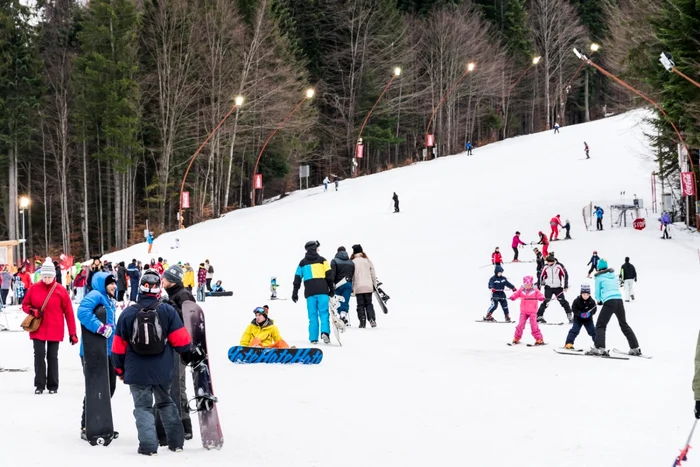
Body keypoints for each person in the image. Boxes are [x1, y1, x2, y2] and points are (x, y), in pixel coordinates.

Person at [111, 270, 195, 456]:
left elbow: (117, 347)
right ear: (158, 289)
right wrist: (189, 355)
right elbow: (180, 340)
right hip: (162, 369)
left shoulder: (128, 313)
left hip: (136, 371)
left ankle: (148, 447)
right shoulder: (166, 310)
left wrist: (119, 369)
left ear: (140, 288)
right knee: (166, 403)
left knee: (143, 407)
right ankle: (176, 443)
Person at [22, 258, 77, 394]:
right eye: (44, 276)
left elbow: (69, 313)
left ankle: (53, 385)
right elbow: (25, 305)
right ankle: (39, 385)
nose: (47, 279)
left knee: (52, 356)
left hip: (55, 328)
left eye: (49, 276)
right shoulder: (34, 288)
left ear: (54, 276)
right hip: (38, 327)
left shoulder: (60, 290)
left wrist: (73, 333)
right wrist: (32, 310)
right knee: (39, 355)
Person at [77, 271, 118, 440]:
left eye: (114, 283)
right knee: (95, 388)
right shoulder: (95, 294)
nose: (114, 286)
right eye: (110, 283)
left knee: (109, 388)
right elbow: (82, 312)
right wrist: (99, 327)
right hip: (93, 351)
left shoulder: (108, 299)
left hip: (108, 350)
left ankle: (101, 421)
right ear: (102, 284)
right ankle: (87, 425)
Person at [161, 265, 195, 441]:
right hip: (175, 346)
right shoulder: (174, 294)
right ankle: (179, 423)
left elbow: (190, 320)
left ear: (172, 281)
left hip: (182, 348)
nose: (162, 281)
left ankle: (184, 424)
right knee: (175, 385)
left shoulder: (182, 295)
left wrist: (172, 308)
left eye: (165, 278)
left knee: (178, 385)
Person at [589, 258, 641, 356]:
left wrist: (599, 300)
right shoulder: (612, 276)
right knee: (623, 324)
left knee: (601, 324)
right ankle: (635, 348)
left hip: (609, 301)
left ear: (598, 268)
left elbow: (597, 292)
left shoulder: (599, 277)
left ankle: (599, 348)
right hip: (619, 301)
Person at [292, 240, 334, 344]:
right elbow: (329, 275)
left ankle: (313, 338)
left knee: (312, 315)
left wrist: (295, 292)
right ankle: (325, 333)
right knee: (324, 313)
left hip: (310, 293)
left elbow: (297, 278)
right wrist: (331, 289)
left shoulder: (302, 263)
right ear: (315, 248)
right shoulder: (323, 260)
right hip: (322, 291)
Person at [536, 254, 572, 324]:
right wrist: (539, 286)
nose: (548, 263)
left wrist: (565, 286)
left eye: (549, 262)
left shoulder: (559, 266)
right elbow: (540, 276)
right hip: (548, 287)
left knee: (563, 301)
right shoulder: (545, 266)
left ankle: (570, 315)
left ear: (553, 261)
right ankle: (539, 316)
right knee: (546, 301)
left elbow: (565, 275)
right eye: (547, 262)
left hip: (558, 287)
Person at [510, 275, 545, 345]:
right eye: (526, 285)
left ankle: (539, 339)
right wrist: (513, 296)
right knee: (520, 325)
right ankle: (516, 338)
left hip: (533, 311)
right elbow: (516, 294)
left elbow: (540, 295)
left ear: (531, 284)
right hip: (523, 311)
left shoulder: (535, 290)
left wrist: (541, 297)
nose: (527, 286)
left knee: (534, 325)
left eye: (528, 285)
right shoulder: (521, 289)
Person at [351, 244, 377, 328]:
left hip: (358, 287)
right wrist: (374, 285)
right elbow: (373, 273)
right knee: (369, 303)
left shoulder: (352, 262)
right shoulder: (367, 260)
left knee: (360, 305)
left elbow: (351, 276)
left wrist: (352, 288)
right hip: (368, 286)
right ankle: (372, 319)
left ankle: (362, 320)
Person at [564, 284, 597, 349]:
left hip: (588, 319)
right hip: (578, 319)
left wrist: (589, 313)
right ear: (581, 294)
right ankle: (569, 343)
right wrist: (580, 314)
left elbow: (594, 309)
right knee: (574, 330)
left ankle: (597, 344)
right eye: (584, 294)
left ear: (589, 295)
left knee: (593, 331)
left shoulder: (592, 301)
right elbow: (574, 309)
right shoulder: (577, 300)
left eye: (587, 295)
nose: (585, 296)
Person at [331, 246, 355, 325]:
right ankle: (343, 315)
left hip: (338, 284)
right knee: (345, 300)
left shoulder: (334, 261)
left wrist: (331, 284)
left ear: (337, 252)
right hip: (348, 283)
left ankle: (340, 316)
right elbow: (352, 275)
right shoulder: (351, 262)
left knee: (337, 301)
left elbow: (333, 274)